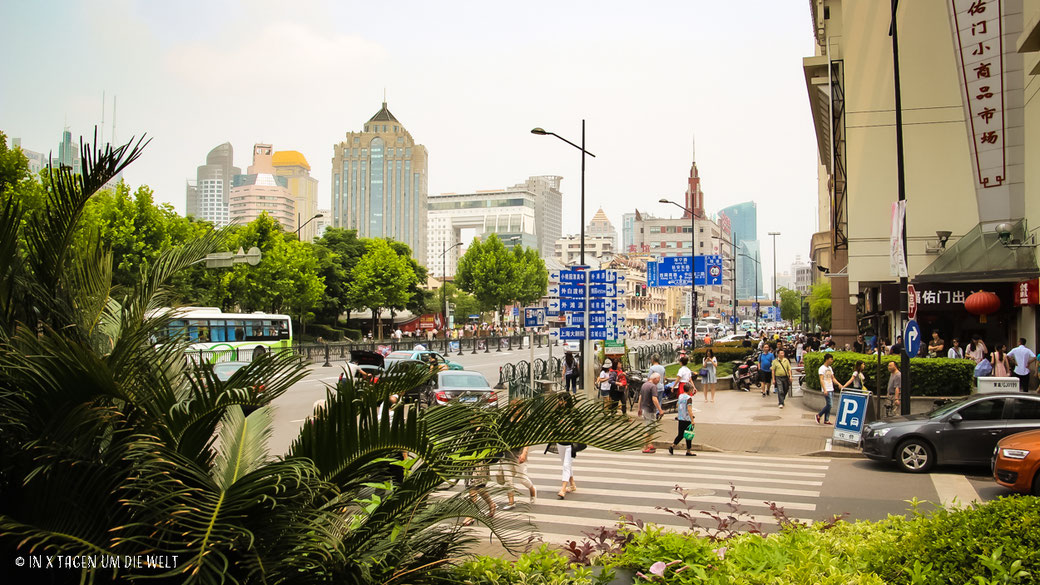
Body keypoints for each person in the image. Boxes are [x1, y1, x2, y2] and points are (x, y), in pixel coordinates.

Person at [495, 445, 536, 511]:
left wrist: (524, 453)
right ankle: (511, 502)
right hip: (506, 457)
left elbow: (527, 440)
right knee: (508, 479)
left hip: (519, 456)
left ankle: (532, 490)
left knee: (523, 479)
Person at [668, 380, 697, 456]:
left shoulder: (680, 396)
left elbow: (677, 405)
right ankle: (688, 451)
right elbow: (689, 409)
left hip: (680, 418)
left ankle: (673, 446)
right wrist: (692, 420)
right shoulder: (689, 398)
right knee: (688, 435)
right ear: (690, 390)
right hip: (687, 419)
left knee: (680, 434)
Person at [636, 372, 664, 453]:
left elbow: (640, 397)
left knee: (651, 427)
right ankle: (645, 446)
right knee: (649, 428)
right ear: (655, 379)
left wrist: (639, 408)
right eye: (658, 379)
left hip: (644, 409)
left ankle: (649, 444)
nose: (659, 381)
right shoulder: (653, 386)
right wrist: (660, 410)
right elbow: (654, 399)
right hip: (650, 409)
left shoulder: (644, 385)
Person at [816, 353, 836, 425]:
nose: (832, 361)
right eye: (831, 359)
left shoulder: (830, 368)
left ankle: (826, 420)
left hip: (831, 388)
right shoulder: (822, 368)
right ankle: (819, 415)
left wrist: (839, 384)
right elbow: (821, 379)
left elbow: (832, 378)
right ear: (827, 359)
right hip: (826, 388)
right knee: (830, 405)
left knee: (829, 405)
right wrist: (824, 389)